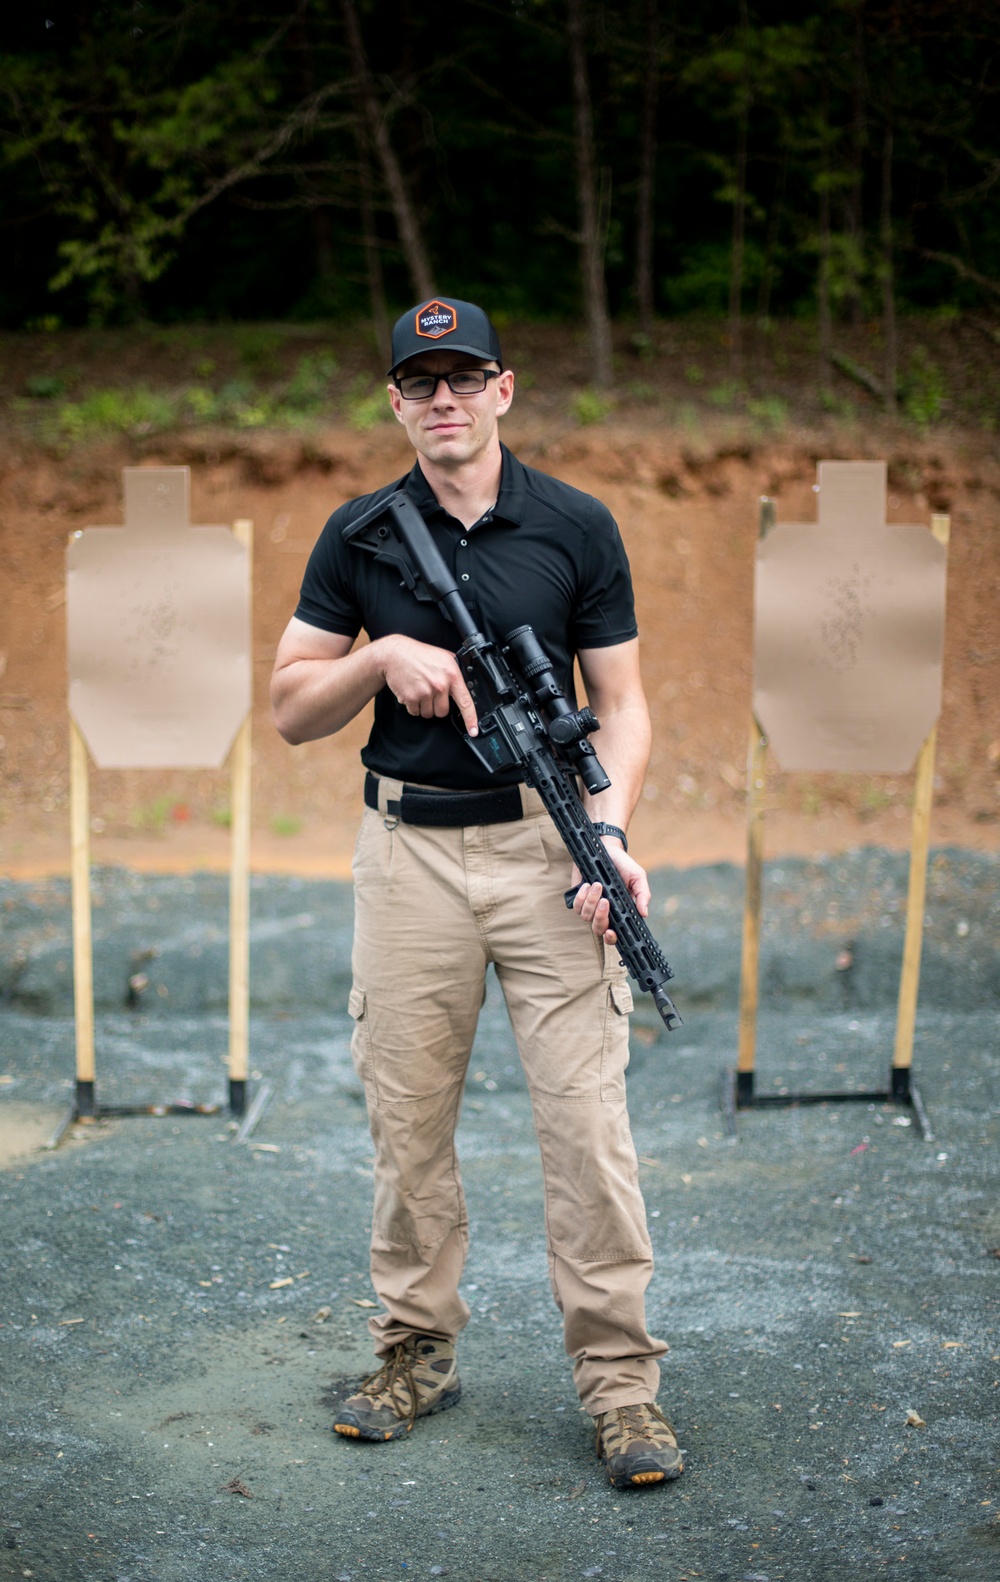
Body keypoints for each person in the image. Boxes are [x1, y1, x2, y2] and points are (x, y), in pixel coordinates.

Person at [270, 296, 682, 1490]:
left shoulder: (574, 525)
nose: (441, 399)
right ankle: (414, 1354)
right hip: (406, 861)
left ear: (504, 387)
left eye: (463, 377)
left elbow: (623, 703)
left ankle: (622, 1392)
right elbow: (293, 705)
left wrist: (607, 833)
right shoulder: (357, 535)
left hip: (545, 852)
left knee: (587, 1126)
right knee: (408, 1122)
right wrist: (374, 659)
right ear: (395, 402)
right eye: (418, 382)